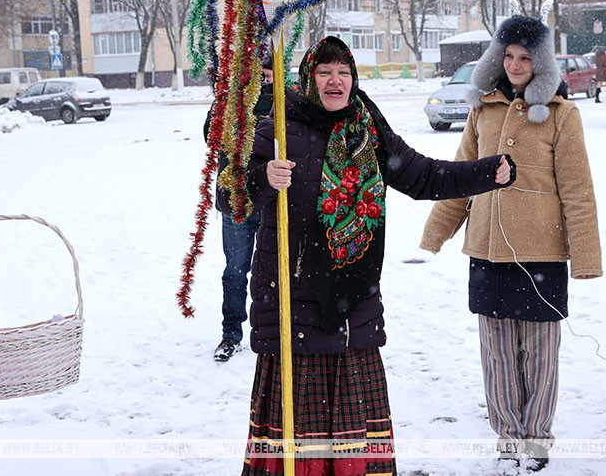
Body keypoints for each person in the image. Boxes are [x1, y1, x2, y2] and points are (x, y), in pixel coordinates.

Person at [221, 36, 514, 476]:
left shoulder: (368, 129)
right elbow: (229, 199)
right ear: (309, 78)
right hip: (292, 304)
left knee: (353, 436)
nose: (335, 81)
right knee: (297, 440)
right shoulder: (277, 128)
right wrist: (263, 177)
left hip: (353, 302)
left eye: (344, 72)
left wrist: (487, 171)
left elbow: (423, 177)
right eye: (324, 72)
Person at [420, 12, 602, 472]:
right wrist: (436, 233)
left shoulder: (563, 115)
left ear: (540, 62)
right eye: (508, 56)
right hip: (487, 251)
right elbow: (462, 176)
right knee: (498, 354)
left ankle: (537, 441)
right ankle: (508, 439)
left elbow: (578, 190)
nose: (516, 65)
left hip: (542, 253)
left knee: (538, 356)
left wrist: (585, 257)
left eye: (525, 57)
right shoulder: (483, 109)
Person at [205, 57, 275, 362]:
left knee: (277, 270)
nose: (262, 81)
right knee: (235, 270)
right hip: (237, 202)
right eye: (256, 75)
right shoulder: (231, 101)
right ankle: (231, 332)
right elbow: (212, 136)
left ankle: (274, 331)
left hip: (275, 200)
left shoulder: (286, 102)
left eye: (267, 75)